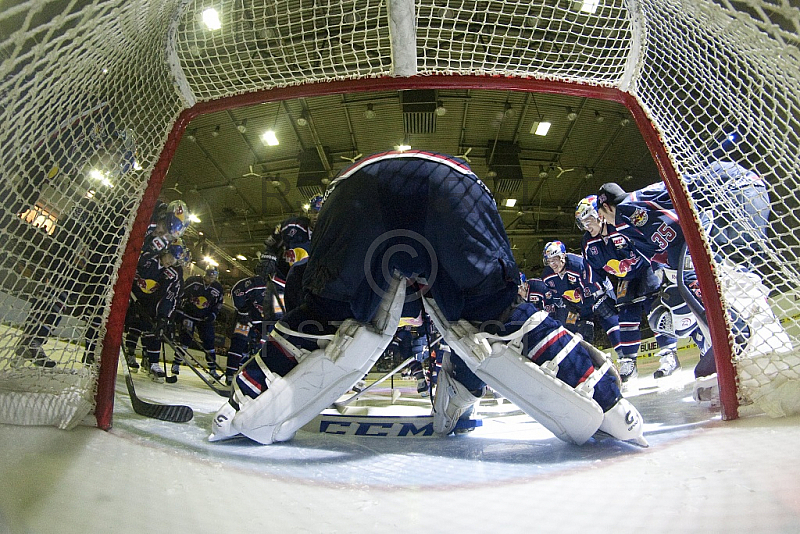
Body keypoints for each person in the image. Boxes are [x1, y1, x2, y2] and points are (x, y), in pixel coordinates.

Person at [209, 150, 646, 447]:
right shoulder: (436, 289)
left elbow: (323, 299)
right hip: (454, 187)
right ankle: (609, 401)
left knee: (323, 318)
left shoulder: (370, 280)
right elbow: (458, 325)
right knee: (496, 319)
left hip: (355, 190)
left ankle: (239, 402)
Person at [576, 195, 676, 382]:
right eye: (582, 222)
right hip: (626, 279)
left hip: (646, 269)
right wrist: (599, 294)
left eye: (588, 220)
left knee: (656, 310)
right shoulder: (588, 242)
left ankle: (669, 353)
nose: (586, 226)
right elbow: (591, 269)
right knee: (626, 319)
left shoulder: (621, 225)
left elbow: (648, 243)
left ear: (599, 215)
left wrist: (660, 267)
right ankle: (629, 362)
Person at [541, 241, 625, 360]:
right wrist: (570, 306)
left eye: (554, 259)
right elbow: (558, 298)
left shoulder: (578, 265)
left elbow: (593, 288)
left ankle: (625, 357)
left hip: (599, 291)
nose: (552, 264)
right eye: (549, 261)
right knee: (582, 331)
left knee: (609, 320)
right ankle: (588, 363)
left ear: (563, 255)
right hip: (580, 302)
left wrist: (585, 315)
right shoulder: (547, 276)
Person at [123, 242, 185, 381]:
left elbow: (168, 297)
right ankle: (130, 353)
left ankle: (153, 363)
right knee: (135, 326)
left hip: (149, 304)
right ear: (165, 252)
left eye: (174, 259)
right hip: (132, 298)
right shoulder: (148, 259)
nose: (171, 261)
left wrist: (164, 316)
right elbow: (130, 270)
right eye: (170, 256)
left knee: (154, 330)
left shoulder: (170, 273)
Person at [174, 265, 224, 378]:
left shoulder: (218, 288)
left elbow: (219, 304)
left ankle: (212, 368)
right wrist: (178, 309)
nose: (211, 277)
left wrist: (213, 314)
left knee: (209, 342)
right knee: (185, 340)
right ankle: (176, 363)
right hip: (189, 315)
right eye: (210, 274)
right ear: (205, 273)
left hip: (204, 318)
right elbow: (180, 293)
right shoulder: (193, 281)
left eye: (214, 275)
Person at [225, 268, 267, 385]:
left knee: (258, 349)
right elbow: (237, 291)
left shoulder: (279, 287)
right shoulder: (255, 283)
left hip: (262, 323)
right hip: (245, 319)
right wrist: (243, 311)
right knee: (238, 343)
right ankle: (230, 373)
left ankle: (245, 375)